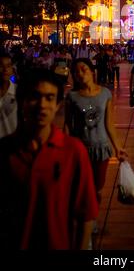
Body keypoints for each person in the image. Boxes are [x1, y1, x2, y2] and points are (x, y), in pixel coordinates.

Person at [0, 69, 98, 249]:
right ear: (21, 101)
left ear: (58, 105)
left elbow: (86, 216)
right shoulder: (5, 152)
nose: (42, 105)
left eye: (50, 98)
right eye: (34, 97)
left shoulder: (73, 152)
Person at [65, 58, 127, 203]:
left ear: (92, 72)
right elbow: (68, 125)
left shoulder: (105, 94)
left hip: (101, 149)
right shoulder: (72, 96)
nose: (80, 74)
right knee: (81, 188)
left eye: (84, 69)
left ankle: (92, 221)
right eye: (76, 72)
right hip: (80, 149)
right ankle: (84, 222)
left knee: (97, 188)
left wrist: (118, 147)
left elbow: (109, 123)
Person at [0, 54, 17, 139]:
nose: (5, 69)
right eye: (1, 66)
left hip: (12, 146)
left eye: (8, 66)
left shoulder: (18, 92)